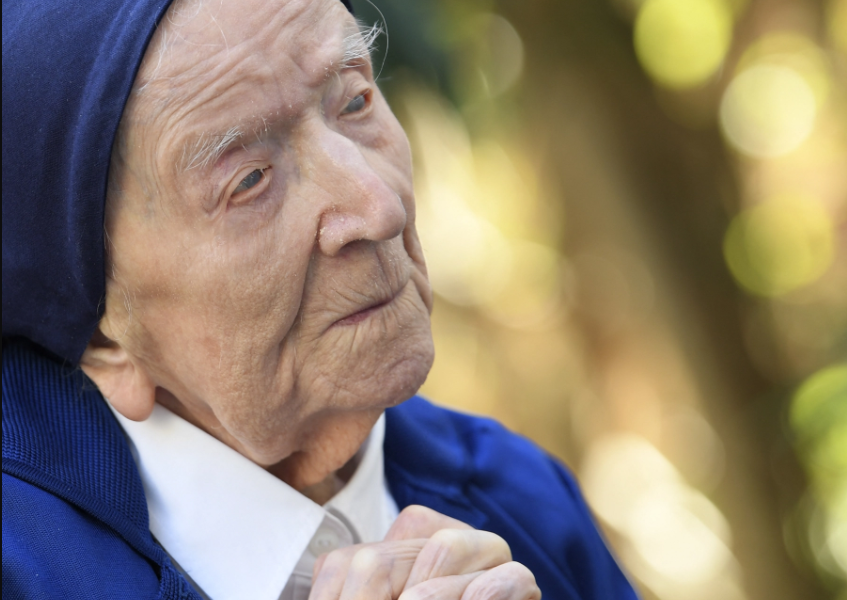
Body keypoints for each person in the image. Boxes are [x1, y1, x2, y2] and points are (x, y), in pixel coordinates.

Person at [1, 0, 639, 598]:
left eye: (356, 101)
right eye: (250, 180)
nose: (378, 207)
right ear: (105, 338)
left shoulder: (520, 497)